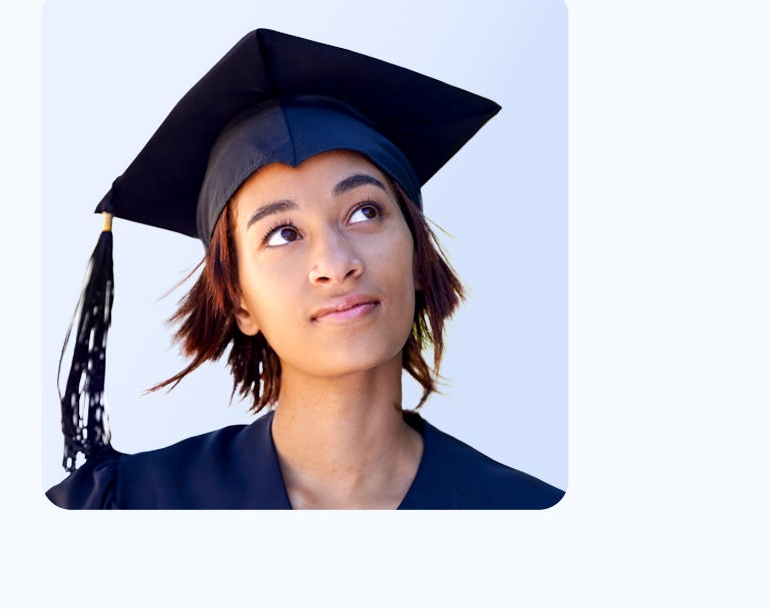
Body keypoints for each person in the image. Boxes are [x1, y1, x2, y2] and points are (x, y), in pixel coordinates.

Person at [47, 28, 564, 509]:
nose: (335, 265)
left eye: (365, 212)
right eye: (282, 234)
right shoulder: (130, 509)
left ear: (419, 259)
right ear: (239, 301)